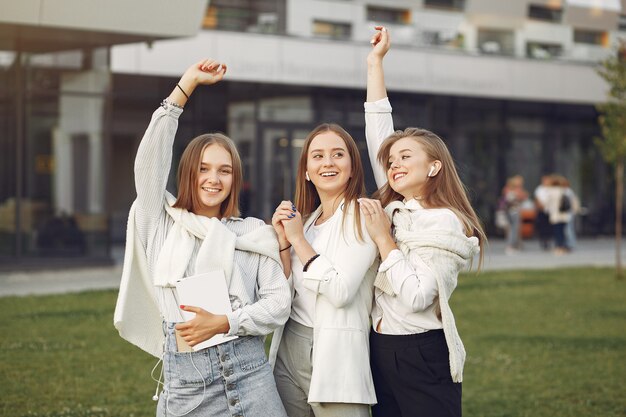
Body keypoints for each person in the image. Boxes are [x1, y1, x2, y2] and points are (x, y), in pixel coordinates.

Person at [113, 59, 291, 417]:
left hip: (250, 374)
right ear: (187, 173)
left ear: (234, 179)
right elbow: (148, 163)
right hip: (189, 384)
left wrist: (227, 322)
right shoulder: (161, 222)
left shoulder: (253, 232)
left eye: (224, 170)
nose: (214, 179)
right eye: (203, 169)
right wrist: (186, 86)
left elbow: (278, 304)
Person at [359, 27, 486, 417]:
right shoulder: (397, 202)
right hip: (378, 348)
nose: (394, 164)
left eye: (405, 158)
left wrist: (385, 241)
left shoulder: (444, 222)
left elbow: (416, 297)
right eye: (391, 161)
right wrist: (375, 63)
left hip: (420, 352)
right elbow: (378, 128)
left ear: (433, 167)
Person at [269, 123, 379, 417]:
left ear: (353, 167)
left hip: (335, 352)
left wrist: (297, 241)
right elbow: (283, 293)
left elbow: (340, 291)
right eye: (317, 156)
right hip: (289, 346)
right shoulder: (306, 221)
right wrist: (283, 244)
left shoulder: (362, 216)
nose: (327, 163)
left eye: (337, 154)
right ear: (306, 170)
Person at [500, 175, 529, 254]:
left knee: (513, 229)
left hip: (510, 212)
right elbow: (523, 197)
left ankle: (514, 245)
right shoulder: (513, 191)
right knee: (514, 229)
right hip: (514, 212)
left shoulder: (507, 190)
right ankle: (510, 246)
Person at [534, 174, 553, 250]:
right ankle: (543, 241)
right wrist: (541, 206)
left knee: (549, 227)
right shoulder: (539, 189)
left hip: (550, 210)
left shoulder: (551, 189)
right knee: (542, 226)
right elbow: (537, 199)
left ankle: (548, 240)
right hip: (541, 211)